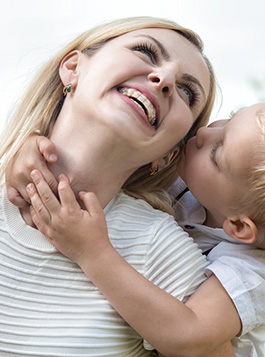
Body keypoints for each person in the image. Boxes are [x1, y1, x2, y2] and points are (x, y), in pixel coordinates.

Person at [9, 101, 265, 355]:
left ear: (238, 226)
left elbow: (187, 337)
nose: (205, 132)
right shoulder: (197, 189)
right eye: (232, 117)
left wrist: (93, 252)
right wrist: (32, 150)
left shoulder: (258, 271)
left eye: (219, 153)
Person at [0, 16, 236, 357]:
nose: (165, 78)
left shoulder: (160, 250)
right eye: (145, 52)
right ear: (72, 68)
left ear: (170, 155)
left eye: (187, 92)